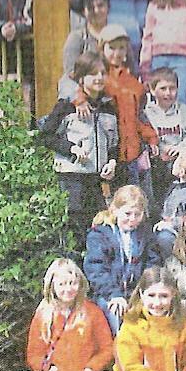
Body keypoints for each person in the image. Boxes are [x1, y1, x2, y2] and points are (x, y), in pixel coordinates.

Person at [36, 53, 118, 246]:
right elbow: (45, 136)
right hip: (72, 176)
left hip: (96, 178)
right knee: (75, 229)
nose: (99, 78)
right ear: (81, 78)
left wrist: (112, 161)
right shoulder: (66, 106)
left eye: (103, 73)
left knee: (99, 226)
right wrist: (71, 149)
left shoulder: (109, 107)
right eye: (93, 74)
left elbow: (114, 142)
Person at [84, 185, 161, 334]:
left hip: (137, 292)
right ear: (115, 210)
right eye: (127, 213)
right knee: (115, 314)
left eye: (137, 214)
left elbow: (152, 264)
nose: (132, 219)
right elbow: (96, 269)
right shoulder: (100, 234)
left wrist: (145, 291)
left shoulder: (146, 233)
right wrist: (114, 294)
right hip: (109, 293)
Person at [98, 24, 159, 193]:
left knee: (134, 196)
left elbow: (139, 116)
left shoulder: (132, 82)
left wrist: (151, 137)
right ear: (101, 48)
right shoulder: (97, 77)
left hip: (131, 152)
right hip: (107, 151)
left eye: (122, 48)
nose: (117, 53)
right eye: (112, 48)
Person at [143, 67, 186, 206]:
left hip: (180, 162)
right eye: (163, 88)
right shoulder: (147, 113)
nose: (168, 93)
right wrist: (160, 148)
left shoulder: (184, 112)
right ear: (152, 90)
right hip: (156, 164)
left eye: (172, 88)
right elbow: (144, 136)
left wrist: (180, 148)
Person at [62, 0, 109, 78]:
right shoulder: (76, 38)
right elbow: (71, 73)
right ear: (84, 11)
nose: (96, 11)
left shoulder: (117, 35)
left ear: (108, 7)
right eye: (91, 7)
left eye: (100, 5)